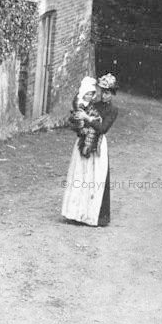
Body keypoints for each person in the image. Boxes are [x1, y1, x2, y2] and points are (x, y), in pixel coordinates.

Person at [62, 73, 119, 227]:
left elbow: (103, 128)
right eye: (102, 92)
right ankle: (76, 213)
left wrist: (88, 119)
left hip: (98, 146)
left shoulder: (113, 110)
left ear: (112, 93)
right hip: (85, 142)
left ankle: (94, 216)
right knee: (81, 175)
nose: (104, 95)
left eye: (107, 93)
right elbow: (78, 117)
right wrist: (79, 122)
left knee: (95, 179)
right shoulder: (94, 105)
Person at [69, 76, 102, 158]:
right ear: (83, 94)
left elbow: (96, 116)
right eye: (87, 94)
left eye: (91, 94)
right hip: (84, 134)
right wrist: (82, 128)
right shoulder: (79, 106)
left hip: (91, 133)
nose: (89, 96)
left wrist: (94, 118)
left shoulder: (91, 105)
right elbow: (76, 122)